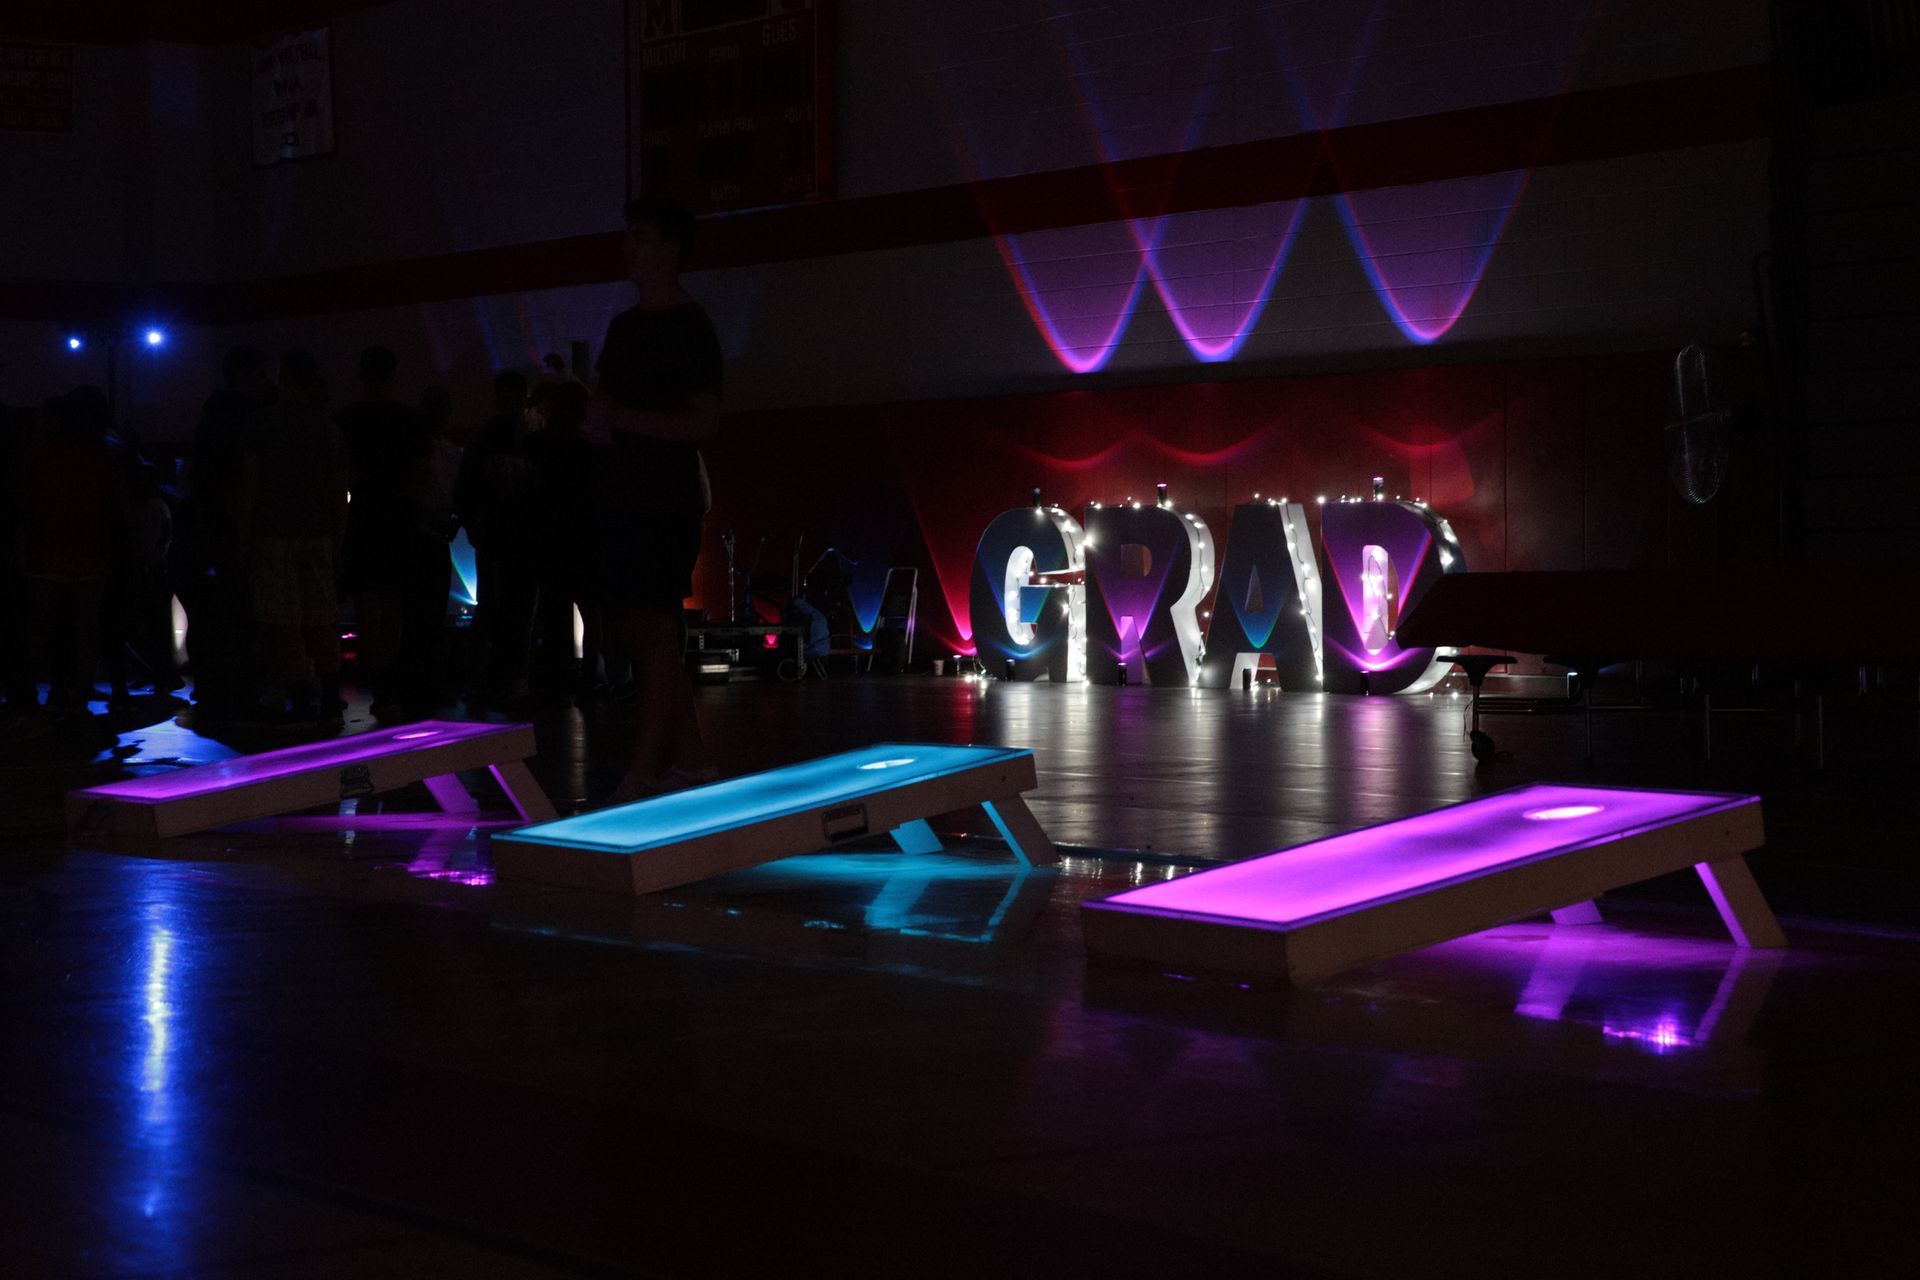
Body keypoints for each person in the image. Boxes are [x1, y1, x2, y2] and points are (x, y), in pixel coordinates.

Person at [585, 197, 721, 800]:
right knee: (641, 628)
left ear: (669, 247)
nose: (627, 248)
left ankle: (642, 770)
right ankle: (689, 759)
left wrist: (623, 418)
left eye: (639, 237)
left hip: (665, 497)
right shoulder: (622, 327)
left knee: (657, 623)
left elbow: (701, 423)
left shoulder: (691, 327)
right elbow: (610, 410)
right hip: (623, 493)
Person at [237, 350, 349, 727]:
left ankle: (300, 697)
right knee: (321, 617)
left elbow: (250, 484)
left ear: (282, 379)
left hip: (273, 533)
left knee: (283, 620)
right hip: (319, 533)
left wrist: (242, 536)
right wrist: (338, 540)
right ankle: (331, 697)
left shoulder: (260, 424)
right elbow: (339, 492)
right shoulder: (329, 430)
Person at [334, 346, 433, 717]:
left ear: (361, 374)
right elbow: (423, 473)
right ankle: (390, 681)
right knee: (392, 604)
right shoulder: (409, 420)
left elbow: (339, 475)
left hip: (361, 516)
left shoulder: (345, 419)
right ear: (393, 374)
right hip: (399, 516)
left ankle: (378, 678)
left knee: (365, 604)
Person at [179, 345, 274, 721]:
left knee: (212, 610)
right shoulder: (246, 419)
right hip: (229, 527)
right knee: (238, 609)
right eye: (262, 375)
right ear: (245, 376)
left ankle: (215, 685)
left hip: (208, 526)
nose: (267, 382)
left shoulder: (213, 416)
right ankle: (239, 687)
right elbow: (239, 482)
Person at [20, 388, 125, 716]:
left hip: (46, 551)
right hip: (90, 552)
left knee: (41, 631)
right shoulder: (102, 455)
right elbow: (115, 504)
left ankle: (32, 696)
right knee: (84, 631)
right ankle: (77, 696)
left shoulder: (41, 454)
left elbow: (24, 499)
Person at [454, 370, 539, 699]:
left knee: (491, 605)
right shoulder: (530, 441)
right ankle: (512, 676)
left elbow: (464, 490)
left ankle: (482, 677)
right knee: (517, 607)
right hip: (517, 538)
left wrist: (475, 526)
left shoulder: (481, 439)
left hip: (494, 537)